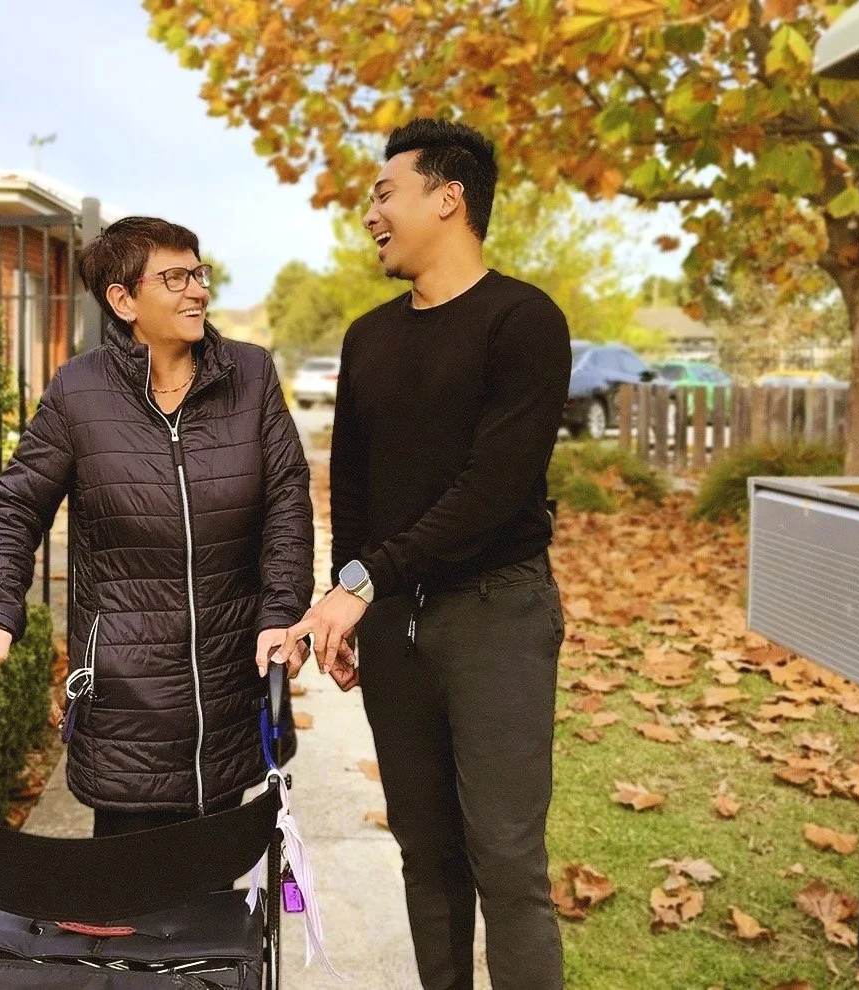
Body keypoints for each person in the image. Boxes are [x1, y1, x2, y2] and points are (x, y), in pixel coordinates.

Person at [281, 119, 571, 989]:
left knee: (507, 863)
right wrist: (348, 594)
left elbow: (494, 488)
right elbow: (356, 485)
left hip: (496, 615)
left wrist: (363, 582)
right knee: (424, 853)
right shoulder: (369, 337)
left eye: (384, 192)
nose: (370, 210)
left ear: (449, 199)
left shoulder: (523, 321)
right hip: (395, 624)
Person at [0, 216, 314, 838]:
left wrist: (281, 611)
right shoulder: (79, 391)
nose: (197, 290)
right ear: (123, 301)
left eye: (198, 273)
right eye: (174, 277)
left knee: (208, 910)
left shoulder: (251, 375)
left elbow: (286, 496)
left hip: (230, 685)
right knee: (123, 908)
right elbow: (17, 503)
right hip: (126, 696)